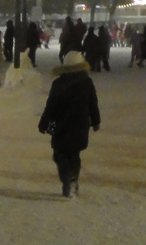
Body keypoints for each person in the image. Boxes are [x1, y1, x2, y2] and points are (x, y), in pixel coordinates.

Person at [38, 51, 100, 199]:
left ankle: (67, 178)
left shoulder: (58, 84)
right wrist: (96, 121)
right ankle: (73, 180)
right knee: (74, 154)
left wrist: (44, 123)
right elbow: (93, 104)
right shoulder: (87, 82)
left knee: (59, 154)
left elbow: (51, 106)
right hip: (81, 126)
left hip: (61, 126)